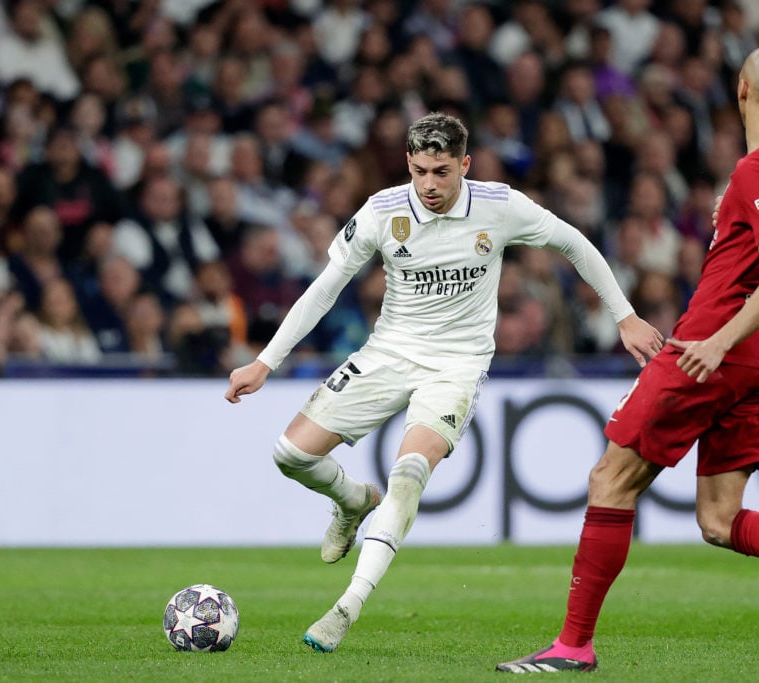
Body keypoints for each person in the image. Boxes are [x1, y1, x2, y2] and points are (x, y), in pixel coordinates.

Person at [496, 45, 759, 674]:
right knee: (718, 518)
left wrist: (718, 340)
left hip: (715, 346)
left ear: (741, 90)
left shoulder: (754, 172)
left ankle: (572, 647)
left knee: (611, 479)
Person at [224, 112, 663, 653]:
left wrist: (625, 316)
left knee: (409, 473)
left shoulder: (499, 206)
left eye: (441, 171)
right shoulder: (383, 211)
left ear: (465, 165)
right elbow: (324, 289)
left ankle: (346, 607)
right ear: (407, 164)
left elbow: (575, 243)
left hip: (457, 365)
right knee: (289, 453)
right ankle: (353, 501)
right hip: (388, 352)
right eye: (419, 170)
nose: (429, 184)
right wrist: (265, 362)